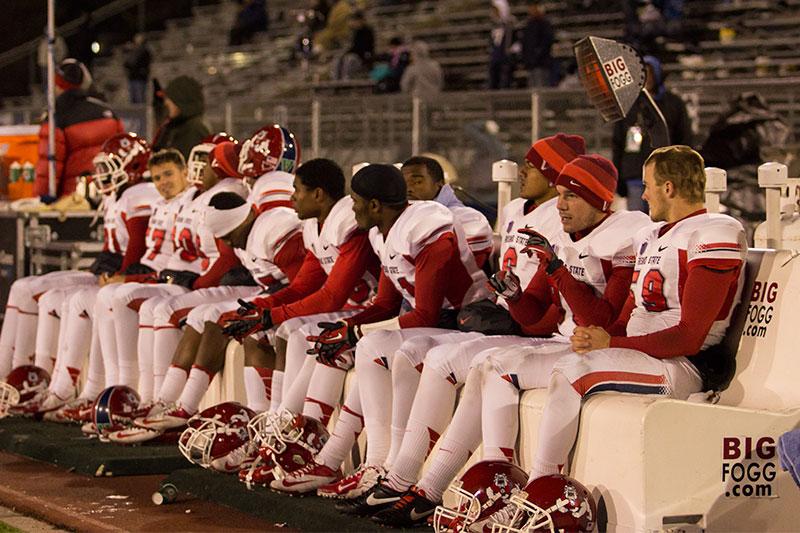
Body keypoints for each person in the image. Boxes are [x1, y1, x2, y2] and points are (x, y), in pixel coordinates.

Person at [482, 145, 747, 529]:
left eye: (651, 186)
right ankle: (503, 484)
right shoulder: (653, 235)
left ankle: (539, 497)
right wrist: (599, 335)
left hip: (680, 365)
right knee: (503, 367)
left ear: (669, 188)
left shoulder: (714, 231)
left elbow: (689, 337)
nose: (644, 194)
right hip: (640, 356)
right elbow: (627, 319)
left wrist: (611, 345)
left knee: (575, 371)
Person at [34, 58, 124, 200]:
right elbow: (123, 154)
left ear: (57, 86)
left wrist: (42, 199)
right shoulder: (107, 112)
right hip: (109, 197)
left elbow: (49, 166)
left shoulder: (56, 117)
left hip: (73, 201)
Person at [612, 55, 692, 212]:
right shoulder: (628, 106)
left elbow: (684, 138)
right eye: (643, 74)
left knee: (661, 220)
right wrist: (618, 176)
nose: (647, 78)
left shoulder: (673, 103)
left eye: (650, 73)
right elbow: (618, 142)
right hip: (634, 176)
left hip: (664, 176)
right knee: (637, 224)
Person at [152, 75, 211, 160]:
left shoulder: (194, 130)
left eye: (170, 99)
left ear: (182, 100)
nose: (166, 103)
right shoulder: (171, 128)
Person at [519, 2, 554, 88]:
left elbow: (547, 41)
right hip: (531, 63)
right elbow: (525, 43)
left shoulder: (544, 24)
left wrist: (537, 54)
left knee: (541, 87)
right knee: (532, 88)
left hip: (541, 63)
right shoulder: (529, 25)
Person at [333, 11, 374, 80]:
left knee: (349, 60)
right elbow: (353, 46)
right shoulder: (356, 32)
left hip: (363, 57)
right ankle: (336, 79)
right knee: (338, 58)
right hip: (355, 54)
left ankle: (345, 79)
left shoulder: (368, 31)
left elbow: (364, 48)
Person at [488, 0, 516, 90]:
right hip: (495, 60)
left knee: (504, 84)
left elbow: (511, 43)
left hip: (504, 60)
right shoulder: (494, 26)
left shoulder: (509, 26)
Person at [123, 34, 152, 104]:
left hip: (140, 78)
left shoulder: (144, 51)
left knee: (140, 99)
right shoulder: (134, 51)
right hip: (133, 77)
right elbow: (127, 63)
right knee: (133, 99)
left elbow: (134, 62)